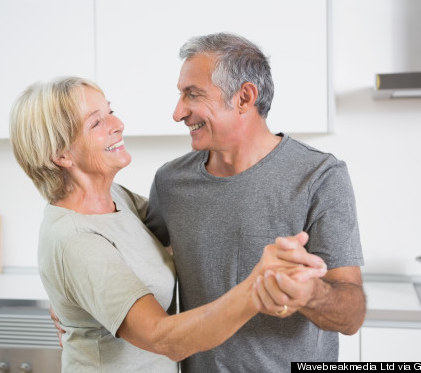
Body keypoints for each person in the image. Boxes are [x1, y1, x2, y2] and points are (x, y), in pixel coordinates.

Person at [9, 76, 327, 372]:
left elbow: (185, 232)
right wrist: (257, 287)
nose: (118, 125)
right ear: (61, 155)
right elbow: (165, 339)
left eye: (111, 112)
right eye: (96, 122)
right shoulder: (76, 239)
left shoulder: (114, 199)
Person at [145, 32, 366, 370]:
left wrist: (308, 293)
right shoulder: (171, 182)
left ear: (244, 97)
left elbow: (351, 315)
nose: (178, 113)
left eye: (193, 95)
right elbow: (137, 264)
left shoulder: (320, 176)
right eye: (180, 95)